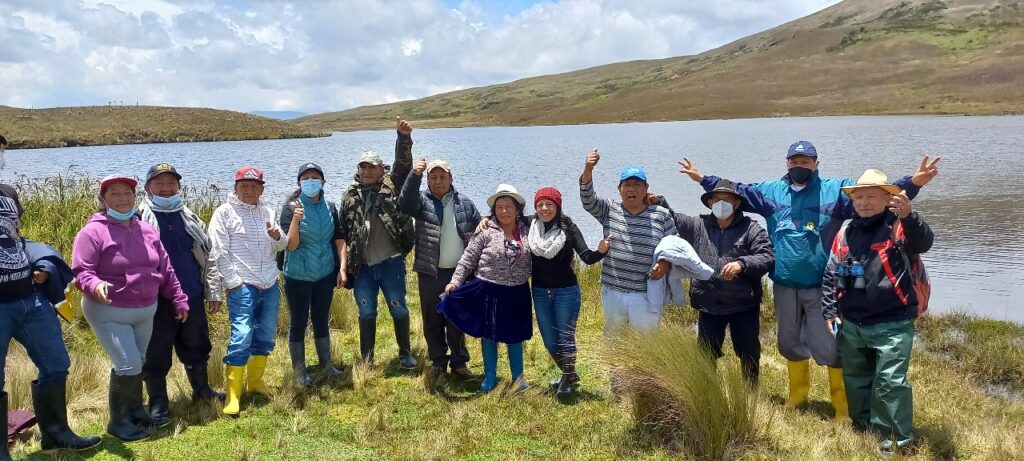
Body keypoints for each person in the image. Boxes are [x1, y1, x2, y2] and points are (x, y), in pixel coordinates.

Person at [680, 142, 939, 418]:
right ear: (787, 163)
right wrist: (702, 179)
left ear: (816, 164)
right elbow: (737, 191)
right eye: (794, 161)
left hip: (822, 287)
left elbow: (874, 195)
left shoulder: (835, 190)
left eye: (805, 161)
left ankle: (842, 406)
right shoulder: (770, 192)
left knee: (832, 345)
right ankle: (797, 397)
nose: (799, 166)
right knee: (789, 342)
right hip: (784, 285)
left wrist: (913, 183)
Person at [821, 169, 933, 454]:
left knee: (889, 384)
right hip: (852, 323)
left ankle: (895, 443)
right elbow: (832, 272)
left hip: (893, 323)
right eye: (859, 197)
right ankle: (863, 429)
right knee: (856, 380)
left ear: (886, 198)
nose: (865, 202)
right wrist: (830, 310)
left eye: (872, 196)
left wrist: (909, 216)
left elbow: (923, 243)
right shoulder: (846, 231)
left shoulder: (898, 225)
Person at [72, 175, 189, 441]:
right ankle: (118, 422)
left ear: (135, 196)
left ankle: (136, 410)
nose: (123, 198)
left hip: (145, 310)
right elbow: (81, 271)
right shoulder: (92, 232)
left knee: (140, 361)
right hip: (108, 310)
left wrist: (179, 298)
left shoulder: (146, 230)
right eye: (115, 194)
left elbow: (166, 269)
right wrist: (95, 285)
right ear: (103, 199)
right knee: (128, 364)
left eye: (127, 193)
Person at [1, 184, 101, 457]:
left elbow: (15, 238)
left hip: (29, 299)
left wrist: (43, 263)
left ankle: (56, 436)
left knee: (56, 365)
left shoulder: (7, 192)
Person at [655, 179, 774, 385]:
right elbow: (673, 219)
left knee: (748, 352)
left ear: (736, 203)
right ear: (710, 203)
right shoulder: (698, 225)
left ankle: (750, 394)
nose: (721, 203)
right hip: (708, 303)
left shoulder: (751, 228)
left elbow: (767, 257)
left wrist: (742, 264)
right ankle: (706, 393)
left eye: (726, 199)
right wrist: (660, 202)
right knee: (706, 354)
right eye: (716, 199)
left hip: (743, 304)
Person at [137, 163, 225, 426]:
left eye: (171, 183)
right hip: (156, 299)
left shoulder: (190, 218)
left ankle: (202, 391)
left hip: (192, 294)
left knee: (197, 345)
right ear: (148, 187)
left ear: (178, 187)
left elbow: (208, 257)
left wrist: (213, 291)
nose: (166, 189)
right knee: (156, 351)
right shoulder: (138, 219)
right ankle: (158, 403)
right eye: (159, 183)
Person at [208, 166, 288, 416]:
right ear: (236, 188)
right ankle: (233, 395)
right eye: (244, 186)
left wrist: (277, 236)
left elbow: (283, 245)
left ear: (262, 189)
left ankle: (255, 383)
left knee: (265, 335)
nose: (249, 191)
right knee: (242, 336)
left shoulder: (268, 211)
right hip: (242, 285)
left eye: (254, 186)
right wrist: (233, 283)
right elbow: (218, 251)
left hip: (270, 283)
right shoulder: (224, 213)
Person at [440, 184, 533, 393]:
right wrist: (455, 281)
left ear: (517, 209)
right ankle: (490, 377)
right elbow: (468, 259)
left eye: (509, 206)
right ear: (494, 210)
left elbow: (547, 222)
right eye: (499, 207)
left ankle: (518, 379)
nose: (504, 211)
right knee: (489, 334)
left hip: (518, 291)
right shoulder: (485, 230)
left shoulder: (528, 229)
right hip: (490, 290)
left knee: (515, 335)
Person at [340, 118, 416, 368]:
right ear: (358, 169)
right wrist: (343, 267)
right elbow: (342, 232)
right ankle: (367, 359)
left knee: (398, 307)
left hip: (391, 262)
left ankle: (405, 354)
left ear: (381, 169)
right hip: (362, 267)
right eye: (363, 167)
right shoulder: (349, 196)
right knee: (366, 311)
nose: (367, 171)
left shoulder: (392, 186)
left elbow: (403, 165)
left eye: (372, 167)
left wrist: (403, 137)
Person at [398, 157, 481, 380]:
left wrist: (486, 222)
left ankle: (459, 363)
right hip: (430, 272)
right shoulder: (421, 201)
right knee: (432, 319)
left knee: (457, 319)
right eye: (433, 177)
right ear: (427, 181)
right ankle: (438, 362)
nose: (437, 181)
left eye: (442, 176)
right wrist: (414, 175)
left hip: (459, 273)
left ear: (451, 178)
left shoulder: (465, 203)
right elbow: (404, 204)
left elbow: (479, 231)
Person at [579, 148, 678, 333]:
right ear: (619, 189)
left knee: (645, 343)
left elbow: (675, 245)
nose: (631, 189)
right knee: (614, 340)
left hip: (646, 292)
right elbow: (588, 200)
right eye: (627, 184)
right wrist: (588, 169)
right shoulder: (608, 209)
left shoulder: (661, 214)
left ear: (646, 188)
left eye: (637, 184)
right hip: (613, 291)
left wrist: (665, 263)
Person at [528, 187, 609, 397]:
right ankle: (570, 374)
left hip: (566, 293)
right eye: (540, 205)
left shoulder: (569, 228)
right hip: (540, 292)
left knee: (565, 338)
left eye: (549, 204)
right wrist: (485, 220)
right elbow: (505, 216)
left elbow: (587, 258)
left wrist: (601, 251)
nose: (544, 208)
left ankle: (566, 380)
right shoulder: (530, 225)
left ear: (558, 206)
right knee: (549, 340)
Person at [279, 162, 348, 385]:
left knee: (321, 318)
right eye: (306, 178)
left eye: (315, 178)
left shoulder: (330, 207)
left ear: (323, 182)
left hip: (325, 273)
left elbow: (339, 239)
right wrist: (296, 220)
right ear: (299, 183)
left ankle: (327, 365)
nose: (311, 182)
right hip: (297, 275)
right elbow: (291, 246)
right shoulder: (290, 208)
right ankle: (300, 371)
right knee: (298, 322)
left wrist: (342, 268)